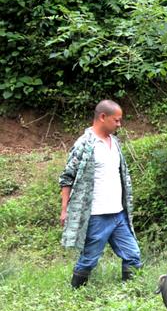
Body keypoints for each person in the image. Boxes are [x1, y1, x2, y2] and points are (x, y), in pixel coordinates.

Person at [59, 100, 142, 288]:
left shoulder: (115, 142)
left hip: (118, 214)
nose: (120, 124)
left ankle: (129, 293)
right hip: (97, 214)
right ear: (103, 117)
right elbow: (67, 177)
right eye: (117, 120)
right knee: (89, 259)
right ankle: (75, 294)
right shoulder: (84, 144)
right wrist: (65, 209)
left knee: (133, 255)